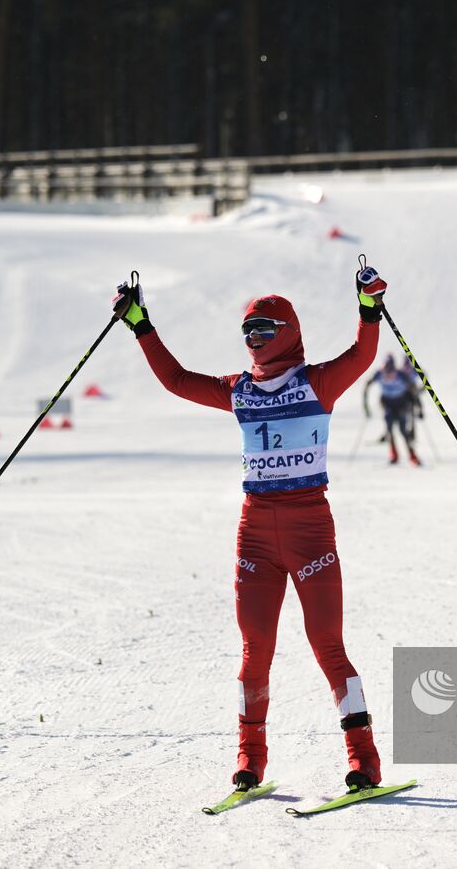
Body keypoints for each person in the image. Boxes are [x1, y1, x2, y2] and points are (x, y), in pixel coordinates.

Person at [110, 265, 389, 794]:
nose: (253, 339)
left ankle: (363, 760)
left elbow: (363, 355)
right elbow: (176, 381)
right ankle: (249, 758)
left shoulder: (317, 382)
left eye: (263, 329)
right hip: (256, 533)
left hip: (310, 532)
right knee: (255, 647)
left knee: (327, 644)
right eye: (246, 331)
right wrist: (140, 324)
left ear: (287, 332)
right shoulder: (239, 391)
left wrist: (368, 306)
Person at [363, 354, 421, 465]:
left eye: (391, 370)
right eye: (386, 370)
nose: (389, 374)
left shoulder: (401, 375)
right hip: (387, 404)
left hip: (401, 403)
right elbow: (367, 386)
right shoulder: (378, 374)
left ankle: (413, 456)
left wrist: (416, 403)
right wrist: (366, 407)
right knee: (389, 429)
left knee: (403, 430)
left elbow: (413, 389)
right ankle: (394, 456)